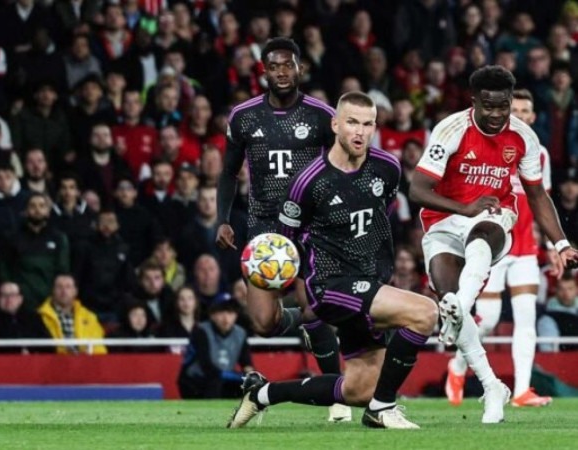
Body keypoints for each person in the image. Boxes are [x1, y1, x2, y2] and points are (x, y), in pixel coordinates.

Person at [228, 91, 437, 430]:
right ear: (335, 124)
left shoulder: (388, 168)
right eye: (352, 122)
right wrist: (301, 295)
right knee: (425, 313)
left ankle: (262, 394)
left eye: (368, 124)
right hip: (328, 286)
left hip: (369, 282)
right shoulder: (308, 183)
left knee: (357, 389)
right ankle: (383, 409)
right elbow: (288, 246)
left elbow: (378, 227)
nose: (360, 132)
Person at [409, 66, 578, 423]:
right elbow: (418, 190)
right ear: (474, 102)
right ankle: (492, 387)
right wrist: (462, 208)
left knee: (484, 233)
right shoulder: (450, 130)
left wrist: (560, 242)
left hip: (495, 219)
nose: (498, 114)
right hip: (443, 222)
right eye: (489, 106)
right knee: (452, 297)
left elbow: (537, 195)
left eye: (504, 106)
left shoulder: (524, 138)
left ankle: (462, 308)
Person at [214, 37, 348, 422]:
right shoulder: (243, 117)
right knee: (265, 323)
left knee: (315, 308)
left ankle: (337, 396)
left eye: (288, 65)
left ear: (299, 68)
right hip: (262, 232)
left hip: (309, 227)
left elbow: (339, 168)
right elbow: (227, 171)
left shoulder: (323, 116)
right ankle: (306, 321)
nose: (282, 73)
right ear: (264, 71)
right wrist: (223, 218)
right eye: (274, 67)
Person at [445, 89, 554, 408]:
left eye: (526, 110)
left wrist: (552, 243)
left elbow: (541, 201)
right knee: (488, 317)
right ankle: (458, 366)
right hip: (494, 244)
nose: (520, 114)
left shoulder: (540, 154)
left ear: (533, 117)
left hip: (525, 247)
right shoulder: (491, 147)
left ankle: (521, 390)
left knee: (526, 318)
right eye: (515, 109)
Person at [179, 298, 253, 399]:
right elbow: (206, 366)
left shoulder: (240, 334)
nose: (226, 318)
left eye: (230, 312)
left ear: (236, 315)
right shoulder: (201, 331)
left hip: (222, 380)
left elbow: (246, 363)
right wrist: (232, 375)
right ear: (212, 315)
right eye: (221, 312)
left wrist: (250, 377)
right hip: (194, 380)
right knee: (215, 382)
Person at [38, 274, 107, 355]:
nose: (63, 291)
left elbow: (100, 348)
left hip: (84, 364)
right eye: (59, 287)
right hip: (52, 363)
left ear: (75, 291)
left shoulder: (89, 317)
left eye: (68, 287)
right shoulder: (40, 317)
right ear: (53, 290)